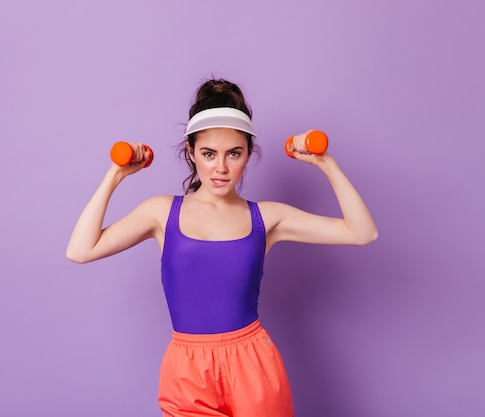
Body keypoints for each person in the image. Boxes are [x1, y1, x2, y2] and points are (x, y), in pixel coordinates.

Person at [66, 78, 378, 417]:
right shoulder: (160, 212)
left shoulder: (266, 218)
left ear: (248, 154)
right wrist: (115, 175)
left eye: (234, 153)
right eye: (209, 154)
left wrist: (325, 163)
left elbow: (361, 232)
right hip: (187, 371)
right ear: (191, 152)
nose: (221, 167)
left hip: (253, 364)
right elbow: (81, 250)